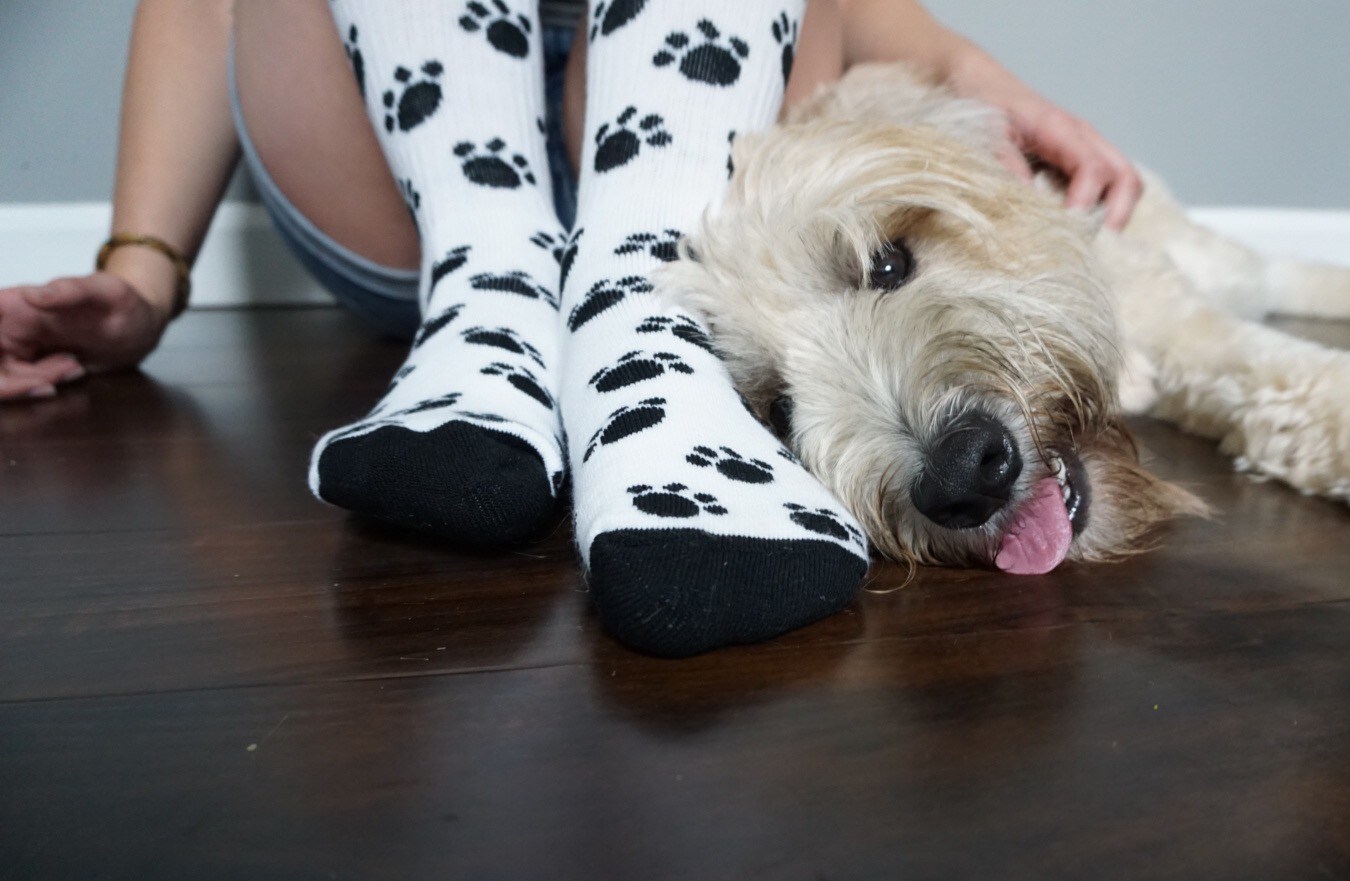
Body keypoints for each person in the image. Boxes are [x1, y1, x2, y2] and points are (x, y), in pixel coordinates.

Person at [0, 0, 1142, 655]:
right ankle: (500, 277)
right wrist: (144, 269)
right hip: (398, 152)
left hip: (708, 137)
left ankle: (630, 284)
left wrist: (959, 69)